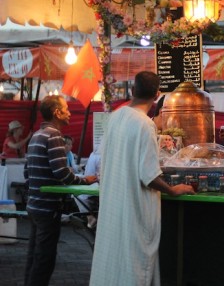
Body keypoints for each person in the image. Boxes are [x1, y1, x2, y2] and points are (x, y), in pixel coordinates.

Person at [90, 71, 195, 286]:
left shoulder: (115, 117)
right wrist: (173, 190)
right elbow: (149, 176)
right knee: (134, 268)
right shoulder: (145, 125)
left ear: (132, 91)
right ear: (157, 95)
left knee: (113, 264)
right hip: (135, 210)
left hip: (113, 207)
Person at [24, 95, 97, 285]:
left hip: (34, 205)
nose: (70, 113)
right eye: (66, 109)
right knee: (44, 258)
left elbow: (28, 171)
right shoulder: (54, 135)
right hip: (48, 207)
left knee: (34, 255)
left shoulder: (36, 136)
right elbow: (61, 173)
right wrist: (85, 180)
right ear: (57, 112)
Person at [75, 142, 101, 229]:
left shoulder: (95, 155)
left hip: (99, 188)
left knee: (78, 194)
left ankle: (90, 217)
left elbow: (89, 175)